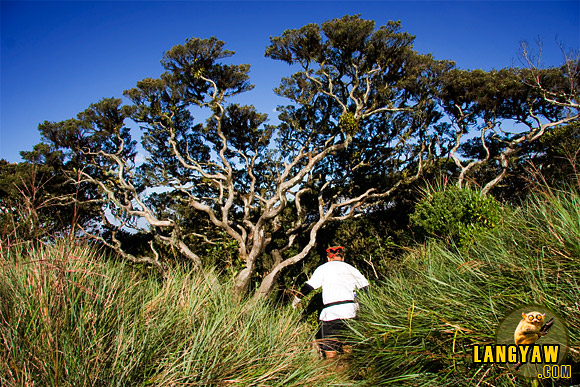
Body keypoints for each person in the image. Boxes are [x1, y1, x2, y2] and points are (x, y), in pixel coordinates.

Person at [292, 245, 369, 359]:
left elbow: (309, 287)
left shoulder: (323, 268)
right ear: (343, 258)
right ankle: (349, 372)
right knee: (349, 349)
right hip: (350, 312)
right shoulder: (350, 268)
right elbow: (366, 287)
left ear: (328, 258)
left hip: (330, 313)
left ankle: (333, 373)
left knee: (330, 353)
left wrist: (296, 299)